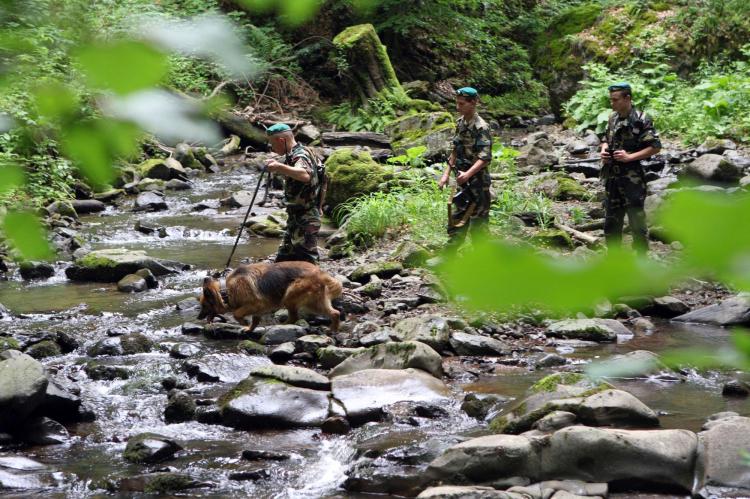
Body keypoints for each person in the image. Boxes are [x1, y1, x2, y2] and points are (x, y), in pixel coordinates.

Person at [600, 82, 661, 255]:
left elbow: (655, 147)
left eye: (615, 100)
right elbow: (605, 139)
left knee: (636, 219)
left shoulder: (641, 119)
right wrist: (604, 150)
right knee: (611, 219)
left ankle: (641, 256)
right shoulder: (613, 118)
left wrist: (629, 157)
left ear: (627, 98)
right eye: (611, 99)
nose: (612, 103)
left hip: (632, 178)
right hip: (612, 176)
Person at [438, 86, 492, 253]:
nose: (458, 107)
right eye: (457, 103)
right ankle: (449, 255)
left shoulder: (481, 127)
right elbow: (455, 149)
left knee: (479, 224)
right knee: (458, 216)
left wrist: (468, 174)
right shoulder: (460, 123)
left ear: (473, 103)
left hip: (478, 182)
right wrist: (446, 174)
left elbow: (485, 158)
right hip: (462, 180)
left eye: (462, 104)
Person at [263, 123, 321, 264]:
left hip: (305, 218)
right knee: (283, 261)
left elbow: (305, 175)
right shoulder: (301, 152)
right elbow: (323, 178)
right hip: (297, 217)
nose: (272, 148)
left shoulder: (300, 155)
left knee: (308, 262)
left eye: (272, 144)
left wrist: (279, 166)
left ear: (281, 140)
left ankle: (317, 279)